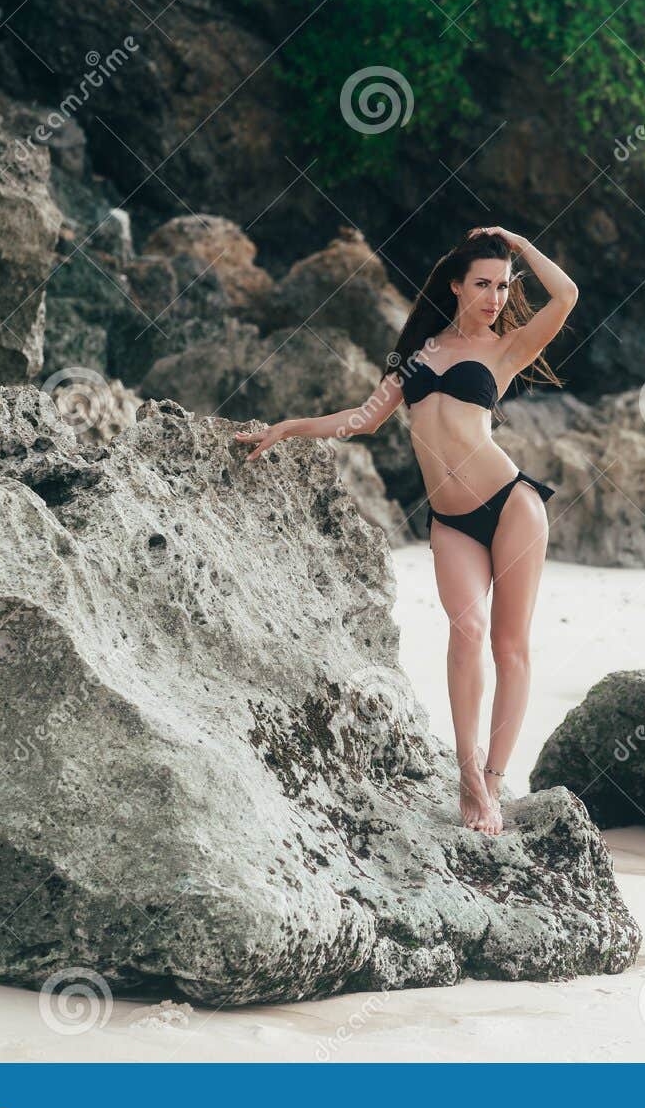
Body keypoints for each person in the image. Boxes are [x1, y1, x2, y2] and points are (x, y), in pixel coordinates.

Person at [235, 226, 578, 835]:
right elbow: (364, 418)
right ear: (454, 284)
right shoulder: (417, 355)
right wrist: (288, 428)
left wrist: (518, 246)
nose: (495, 297)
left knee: (509, 646)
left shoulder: (507, 349)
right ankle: (467, 771)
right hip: (452, 520)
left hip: (512, 503)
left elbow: (567, 295)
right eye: (482, 283)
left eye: (502, 287)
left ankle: (492, 783)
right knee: (466, 629)